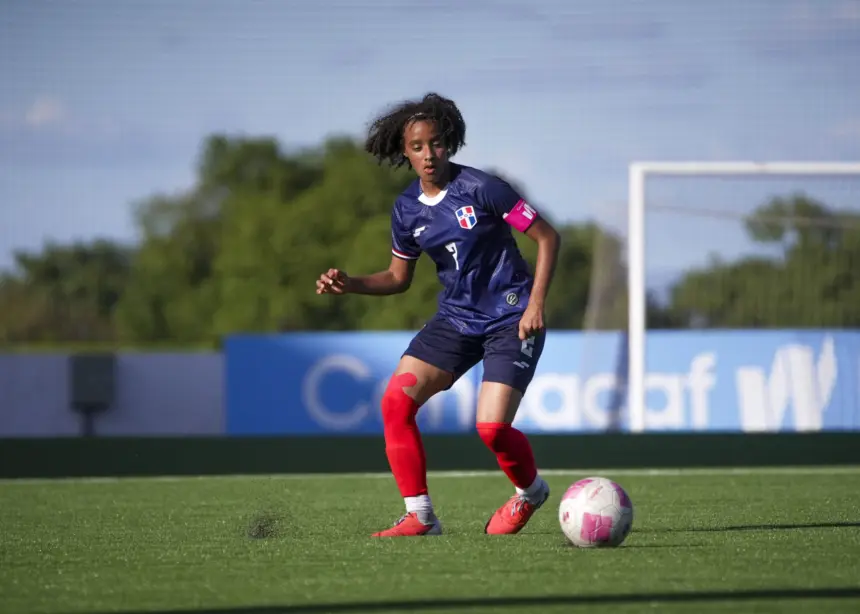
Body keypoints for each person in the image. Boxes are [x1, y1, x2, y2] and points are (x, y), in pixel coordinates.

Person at [315, 92, 561, 537]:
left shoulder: (484, 188)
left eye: (436, 143)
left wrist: (536, 303)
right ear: (404, 151)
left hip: (511, 319)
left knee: (490, 429)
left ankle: (531, 492)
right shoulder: (406, 210)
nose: (429, 155)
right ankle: (421, 516)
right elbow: (397, 277)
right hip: (455, 320)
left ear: (450, 143)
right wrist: (349, 282)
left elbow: (547, 237)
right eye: (418, 147)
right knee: (395, 403)